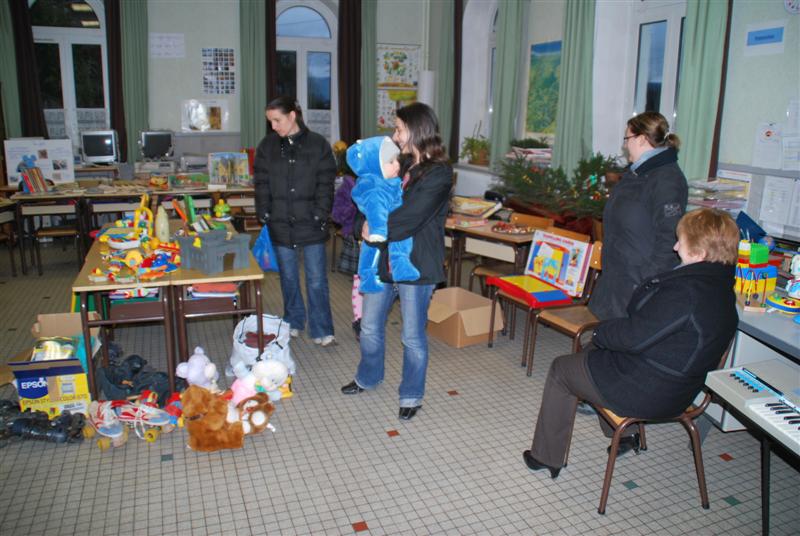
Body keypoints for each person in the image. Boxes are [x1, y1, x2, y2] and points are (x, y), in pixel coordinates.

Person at [523, 208, 739, 478]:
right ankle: (626, 435)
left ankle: (546, 457)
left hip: (650, 392)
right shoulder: (722, 291)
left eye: (680, 242)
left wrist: (600, 332)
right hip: (680, 389)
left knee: (562, 369)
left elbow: (633, 337)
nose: (674, 247)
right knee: (593, 356)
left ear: (699, 253)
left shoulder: (686, 293)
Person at [340, 103, 453, 421]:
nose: (395, 135)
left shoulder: (439, 173)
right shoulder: (396, 163)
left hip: (416, 265)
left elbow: (411, 217)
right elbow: (369, 197)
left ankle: (412, 394)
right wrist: (361, 224)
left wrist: (374, 229)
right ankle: (368, 377)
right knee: (369, 327)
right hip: (382, 260)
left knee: (412, 336)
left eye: (399, 129)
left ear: (416, 131)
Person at [253, 96, 337, 346]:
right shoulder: (267, 146)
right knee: (288, 278)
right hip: (279, 223)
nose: (273, 126)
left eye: (277, 120)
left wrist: (321, 213)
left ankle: (322, 329)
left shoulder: (318, 145)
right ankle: (294, 320)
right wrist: (264, 212)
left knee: (316, 280)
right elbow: (261, 183)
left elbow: (326, 184)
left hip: (311, 223)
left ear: (292, 116)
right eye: (270, 122)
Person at [589, 111, 688, 321]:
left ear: (642, 139)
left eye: (627, 139)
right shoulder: (636, 173)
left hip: (637, 286)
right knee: (605, 336)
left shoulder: (667, 180)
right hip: (617, 281)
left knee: (620, 337)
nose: (625, 146)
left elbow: (669, 239)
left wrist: (643, 282)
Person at [347, 136, 419, 293]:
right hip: (379, 232)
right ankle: (367, 278)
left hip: (396, 230)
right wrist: (377, 229)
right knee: (372, 252)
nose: (397, 165)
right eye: (391, 162)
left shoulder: (389, 181)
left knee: (401, 242)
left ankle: (400, 265)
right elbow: (375, 209)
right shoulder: (376, 187)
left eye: (396, 160)